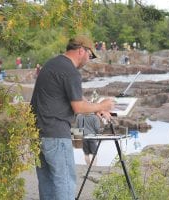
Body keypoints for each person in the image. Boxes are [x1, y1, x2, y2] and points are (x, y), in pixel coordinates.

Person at [30, 34, 114, 200]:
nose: (89, 60)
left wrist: (95, 109)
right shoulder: (71, 72)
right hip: (56, 135)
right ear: (81, 50)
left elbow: (73, 97)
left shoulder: (52, 64)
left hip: (38, 133)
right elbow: (77, 107)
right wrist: (103, 106)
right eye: (90, 56)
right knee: (65, 183)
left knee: (47, 183)